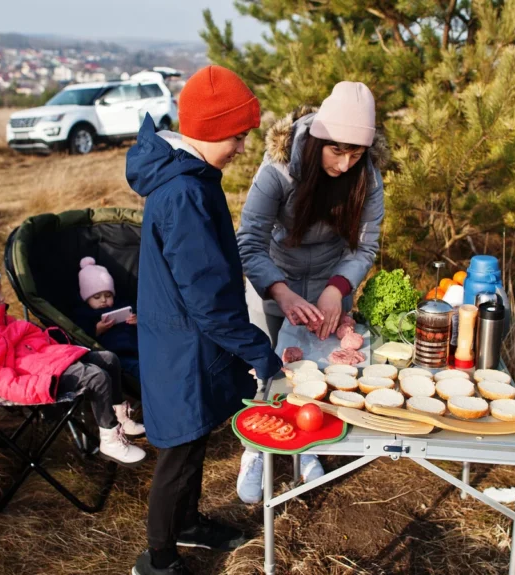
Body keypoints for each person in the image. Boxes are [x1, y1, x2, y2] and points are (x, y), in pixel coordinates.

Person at [126, 65, 282, 575]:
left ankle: (188, 525)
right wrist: (259, 350)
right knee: (177, 453)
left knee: (193, 440)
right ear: (210, 130)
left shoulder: (192, 176)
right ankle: (158, 558)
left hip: (188, 337)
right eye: (237, 136)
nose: (241, 147)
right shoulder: (184, 193)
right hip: (182, 342)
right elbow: (209, 298)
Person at [235, 82, 386, 503]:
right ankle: (255, 451)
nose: (344, 164)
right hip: (273, 275)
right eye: (336, 151)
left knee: (322, 369)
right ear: (318, 139)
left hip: (330, 280)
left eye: (355, 155)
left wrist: (337, 289)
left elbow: (366, 245)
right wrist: (279, 293)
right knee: (267, 367)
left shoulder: (367, 177)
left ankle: (308, 446)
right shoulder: (279, 169)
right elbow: (249, 240)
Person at [0, 258, 146, 466]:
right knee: (96, 377)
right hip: (38, 379)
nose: (3, 298)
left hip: (48, 361)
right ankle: (110, 441)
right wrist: (41, 386)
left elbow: (35, 342)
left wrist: (60, 348)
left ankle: (119, 420)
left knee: (109, 359)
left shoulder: (1, 321)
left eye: (0, 291)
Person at [71, 256, 141, 383]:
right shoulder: (86, 315)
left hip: (140, 347)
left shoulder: (123, 305)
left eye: (108, 295)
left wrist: (137, 321)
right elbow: (81, 334)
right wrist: (97, 330)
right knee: (139, 370)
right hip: (118, 356)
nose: (103, 300)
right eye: (97, 297)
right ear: (86, 299)